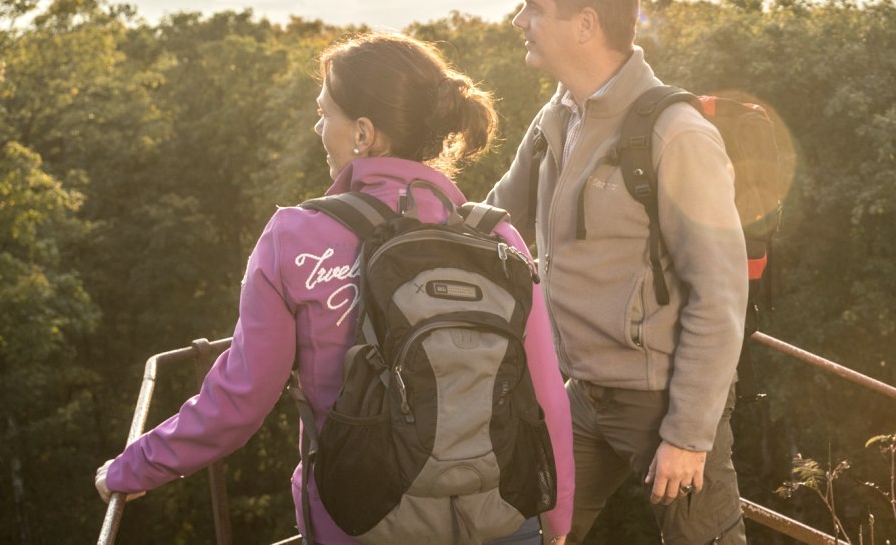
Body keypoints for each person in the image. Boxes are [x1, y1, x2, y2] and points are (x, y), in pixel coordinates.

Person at [94, 32, 575, 544]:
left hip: (362, 527)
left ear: (363, 134)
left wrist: (132, 467)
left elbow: (237, 401)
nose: (317, 126)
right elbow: (546, 396)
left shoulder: (294, 237)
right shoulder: (496, 236)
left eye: (326, 113)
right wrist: (557, 520)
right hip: (504, 522)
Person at [487, 0, 749, 543]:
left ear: (585, 25)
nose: (517, 22)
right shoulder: (558, 117)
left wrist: (687, 435)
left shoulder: (676, 135)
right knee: (521, 534)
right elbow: (494, 218)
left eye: (533, 8)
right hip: (580, 393)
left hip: (659, 399)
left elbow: (721, 294)